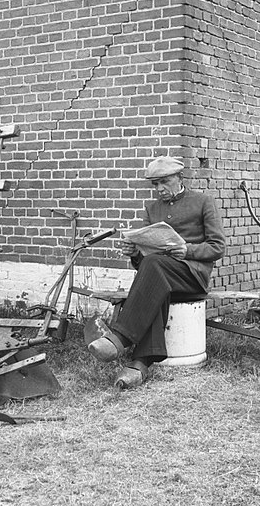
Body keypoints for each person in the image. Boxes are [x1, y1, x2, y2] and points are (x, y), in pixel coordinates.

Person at [87, 156, 226, 388]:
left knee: (154, 265)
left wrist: (188, 250)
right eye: (155, 184)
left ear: (180, 178)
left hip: (192, 276)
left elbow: (218, 247)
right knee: (154, 272)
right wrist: (134, 252)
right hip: (161, 276)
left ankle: (120, 338)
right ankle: (139, 365)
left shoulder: (203, 202)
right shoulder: (152, 209)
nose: (160, 189)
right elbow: (144, 262)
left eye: (165, 182)